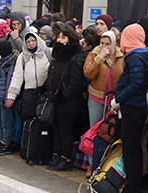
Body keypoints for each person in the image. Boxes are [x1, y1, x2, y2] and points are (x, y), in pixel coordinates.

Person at [108, 24, 148, 193]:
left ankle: (132, 191)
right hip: (140, 105)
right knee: (135, 147)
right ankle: (134, 186)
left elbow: (137, 83)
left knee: (131, 150)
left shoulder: (135, 56)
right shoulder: (147, 55)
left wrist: (119, 98)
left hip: (132, 106)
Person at [45, 26, 85, 170]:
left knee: (65, 130)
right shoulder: (57, 54)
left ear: (71, 39)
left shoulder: (75, 56)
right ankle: (57, 154)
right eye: (59, 37)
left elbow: (76, 82)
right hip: (55, 98)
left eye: (64, 37)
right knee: (56, 129)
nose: (60, 40)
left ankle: (66, 158)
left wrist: (63, 95)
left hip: (68, 101)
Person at [83, 30, 124, 129]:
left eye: (108, 44)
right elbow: (88, 73)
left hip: (114, 98)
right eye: (102, 43)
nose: (104, 47)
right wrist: (100, 57)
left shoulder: (121, 56)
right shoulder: (93, 54)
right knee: (95, 128)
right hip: (96, 97)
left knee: (110, 130)